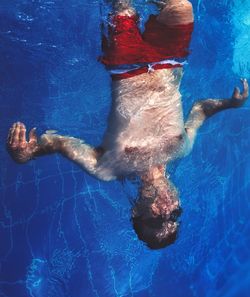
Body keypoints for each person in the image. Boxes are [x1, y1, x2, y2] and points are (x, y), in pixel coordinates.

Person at [7, 0, 248, 249]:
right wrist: (230, 103)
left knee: (122, 4)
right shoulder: (182, 149)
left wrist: (27, 154)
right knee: (181, 7)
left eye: (156, 220)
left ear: (136, 212)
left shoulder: (109, 169)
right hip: (170, 63)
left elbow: (60, 143)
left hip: (126, 66)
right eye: (175, 215)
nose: (166, 209)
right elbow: (199, 110)